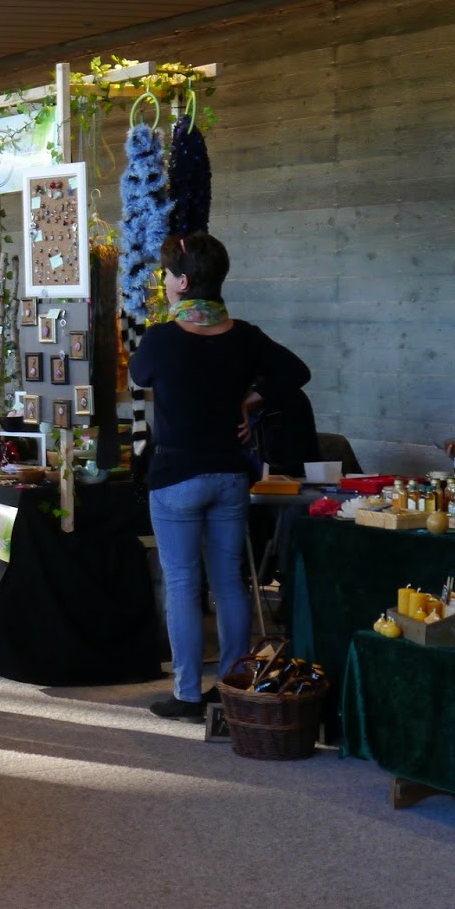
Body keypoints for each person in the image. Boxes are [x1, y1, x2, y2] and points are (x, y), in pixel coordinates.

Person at [129, 232, 311, 719]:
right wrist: (251, 399)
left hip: (176, 476)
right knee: (230, 584)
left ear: (183, 281)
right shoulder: (246, 336)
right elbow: (297, 372)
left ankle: (188, 694)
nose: (164, 283)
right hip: (231, 474)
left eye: (168, 275)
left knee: (184, 585)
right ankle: (236, 688)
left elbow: (139, 377)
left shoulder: (162, 338)